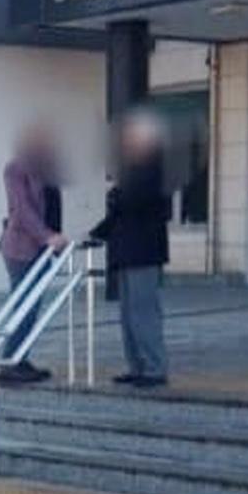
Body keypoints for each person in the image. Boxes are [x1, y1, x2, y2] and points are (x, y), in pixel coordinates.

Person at [90, 111, 171, 388]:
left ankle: (155, 368)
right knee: (128, 315)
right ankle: (137, 366)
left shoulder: (154, 168)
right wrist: (95, 233)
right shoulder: (131, 170)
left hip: (143, 253)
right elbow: (117, 212)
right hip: (125, 253)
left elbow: (132, 201)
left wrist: (116, 193)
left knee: (144, 312)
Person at [0, 122, 68, 385]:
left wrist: (55, 240)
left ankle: (20, 358)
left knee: (33, 307)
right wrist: (47, 236)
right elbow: (22, 210)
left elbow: (52, 206)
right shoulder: (16, 168)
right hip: (22, 249)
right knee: (23, 306)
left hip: (43, 250)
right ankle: (10, 363)